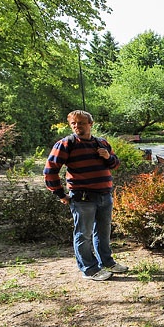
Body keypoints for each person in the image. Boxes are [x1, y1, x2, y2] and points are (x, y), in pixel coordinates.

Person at [44, 110, 127, 281]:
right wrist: (60, 194)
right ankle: (89, 269)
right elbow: (49, 171)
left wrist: (108, 156)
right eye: (73, 123)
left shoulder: (101, 143)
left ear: (91, 124)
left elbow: (115, 164)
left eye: (81, 123)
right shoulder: (66, 144)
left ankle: (107, 262)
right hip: (83, 198)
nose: (77, 126)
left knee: (103, 233)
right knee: (84, 234)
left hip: (105, 195)